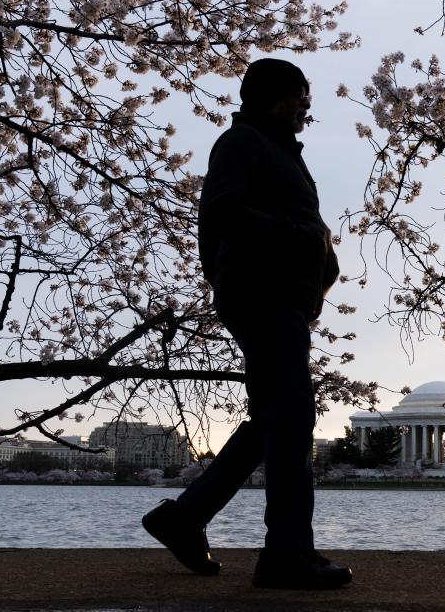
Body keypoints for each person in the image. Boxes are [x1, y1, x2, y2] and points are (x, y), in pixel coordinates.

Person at [141, 58, 351, 589]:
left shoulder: (278, 150)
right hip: (264, 295)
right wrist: (303, 239)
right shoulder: (242, 144)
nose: (308, 106)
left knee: (275, 421)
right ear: (277, 96)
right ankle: (286, 554)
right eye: (302, 95)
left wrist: (317, 260)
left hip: (282, 298)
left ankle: (185, 517)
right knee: (294, 415)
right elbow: (221, 213)